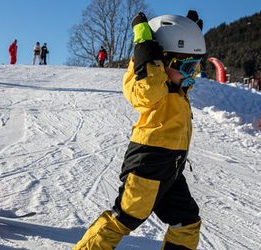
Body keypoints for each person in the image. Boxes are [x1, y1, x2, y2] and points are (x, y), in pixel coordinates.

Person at [74, 11, 205, 250]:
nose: (192, 76)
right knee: (123, 219)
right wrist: (145, 50)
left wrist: (189, 33)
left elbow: (177, 70)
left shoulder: (176, 85)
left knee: (187, 223)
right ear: (160, 61)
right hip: (149, 162)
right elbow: (147, 90)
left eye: (196, 67)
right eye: (187, 67)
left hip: (172, 166)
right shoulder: (150, 84)